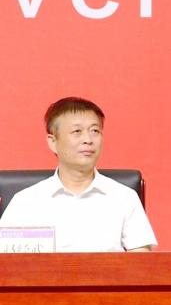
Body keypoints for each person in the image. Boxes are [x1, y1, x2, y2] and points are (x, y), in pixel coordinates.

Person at [0, 97, 156, 252]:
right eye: (77, 131)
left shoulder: (124, 197)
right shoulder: (25, 202)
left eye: (95, 131)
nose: (88, 139)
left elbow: (141, 261)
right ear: (53, 142)